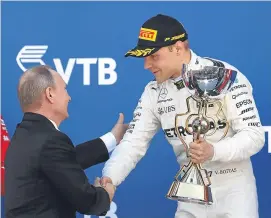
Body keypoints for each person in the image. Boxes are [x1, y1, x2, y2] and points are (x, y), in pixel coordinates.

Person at [100, 14, 265, 218]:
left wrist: (213, 151)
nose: (146, 65)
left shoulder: (225, 75)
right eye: (144, 57)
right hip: (189, 194)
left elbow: (254, 136)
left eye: (154, 56)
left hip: (234, 193)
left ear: (177, 48)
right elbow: (133, 142)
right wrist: (110, 178)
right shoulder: (153, 92)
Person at [4, 65, 128, 218]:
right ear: (50, 94)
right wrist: (105, 194)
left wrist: (113, 138)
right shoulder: (50, 141)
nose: (69, 97)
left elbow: (64, 161)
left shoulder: (24, 134)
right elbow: (88, 201)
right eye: (64, 89)